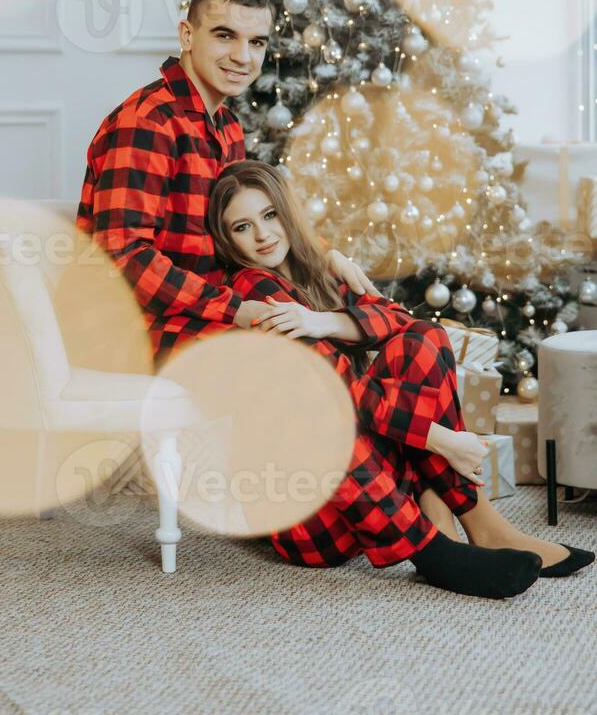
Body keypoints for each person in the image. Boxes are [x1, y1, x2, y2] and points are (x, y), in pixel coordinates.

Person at [208, 160, 595, 598]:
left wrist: (323, 322)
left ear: (287, 212)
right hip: (310, 516)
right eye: (242, 226)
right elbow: (341, 395)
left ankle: (472, 522)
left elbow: (397, 319)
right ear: (228, 240)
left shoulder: (320, 270)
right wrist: (442, 439)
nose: (262, 235)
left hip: (369, 490)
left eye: (270, 215)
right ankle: (438, 549)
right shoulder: (254, 292)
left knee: (423, 338)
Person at [76, 0, 374, 363]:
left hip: (199, 310)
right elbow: (124, 254)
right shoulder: (147, 123)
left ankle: (421, 424)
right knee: (303, 358)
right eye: (224, 36)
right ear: (187, 36)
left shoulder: (227, 127)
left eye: (256, 42)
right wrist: (234, 310)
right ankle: (411, 426)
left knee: (343, 335)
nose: (242, 57)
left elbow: (248, 222)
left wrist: (327, 256)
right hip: (130, 327)